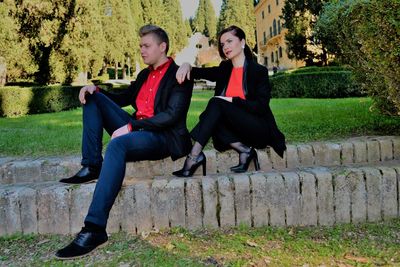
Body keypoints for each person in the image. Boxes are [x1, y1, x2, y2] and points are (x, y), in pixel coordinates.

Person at [55, 25, 193, 259]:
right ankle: (91, 164)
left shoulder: (179, 74)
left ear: (163, 47)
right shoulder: (144, 74)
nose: (142, 50)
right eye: (140, 46)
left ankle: (94, 229)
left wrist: (132, 126)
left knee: (117, 145)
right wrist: (95, 89)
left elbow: (172, 115)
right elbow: (124, 98)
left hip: (162, 137)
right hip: (137, 129)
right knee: (93, 97)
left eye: (146, 46)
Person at [173, 25, 286, 177]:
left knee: (216, 103)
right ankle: (245, 151)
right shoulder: (224, 68)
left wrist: (233, 101)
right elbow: (200, 72)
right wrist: (186, 65)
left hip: (258, 128)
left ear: (242, 42)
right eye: (222, 44)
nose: (225, 46)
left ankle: (193, 157)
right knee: (212, 113)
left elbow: (260, 107)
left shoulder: (258, 71)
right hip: (233, 132)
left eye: (229, 41)